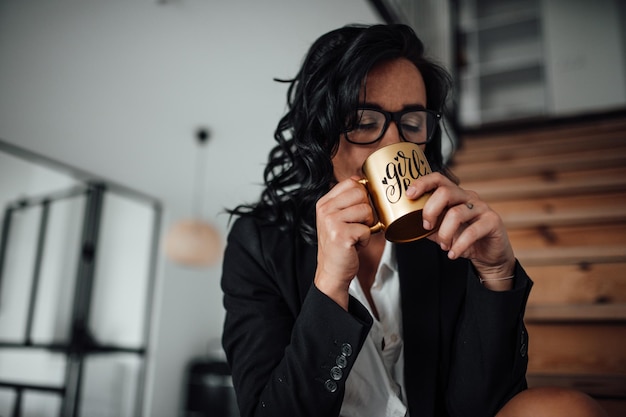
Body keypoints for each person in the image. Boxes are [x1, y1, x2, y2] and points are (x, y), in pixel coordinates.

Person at [220, 24, 604, 417]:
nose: (393, 143)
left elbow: (482, 404)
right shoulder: (259, 244)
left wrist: (495, 273)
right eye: (364, 121)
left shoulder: (442, 233)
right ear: (320, 130)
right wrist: (330, 287)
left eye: (411, 122)